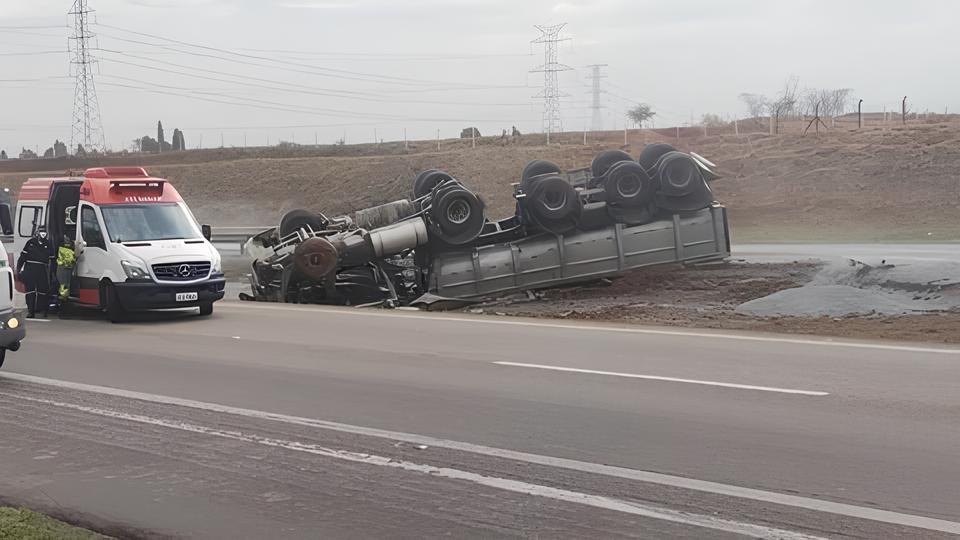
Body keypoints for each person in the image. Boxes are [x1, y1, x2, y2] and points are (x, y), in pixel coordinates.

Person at [17, 226, 54, 318]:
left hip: (42, 269)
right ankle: (31, 311)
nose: (43, 234)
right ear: (37, 233)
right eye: (41, 232)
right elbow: (22, 257)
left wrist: (53, 273)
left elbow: (52, 260)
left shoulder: (48, 244)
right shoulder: (30, 243)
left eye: (44, 232)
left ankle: (42, 310)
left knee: (43, 290)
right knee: (30, 291)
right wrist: (18, 270)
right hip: (30, 268)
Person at [56, 234, 76, 301]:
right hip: (67, 266)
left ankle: (63, 295)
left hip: (63, 266)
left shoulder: (60, 245)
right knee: (65, 282)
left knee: (63, 282)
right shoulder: (72, 245)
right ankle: (64, 295)